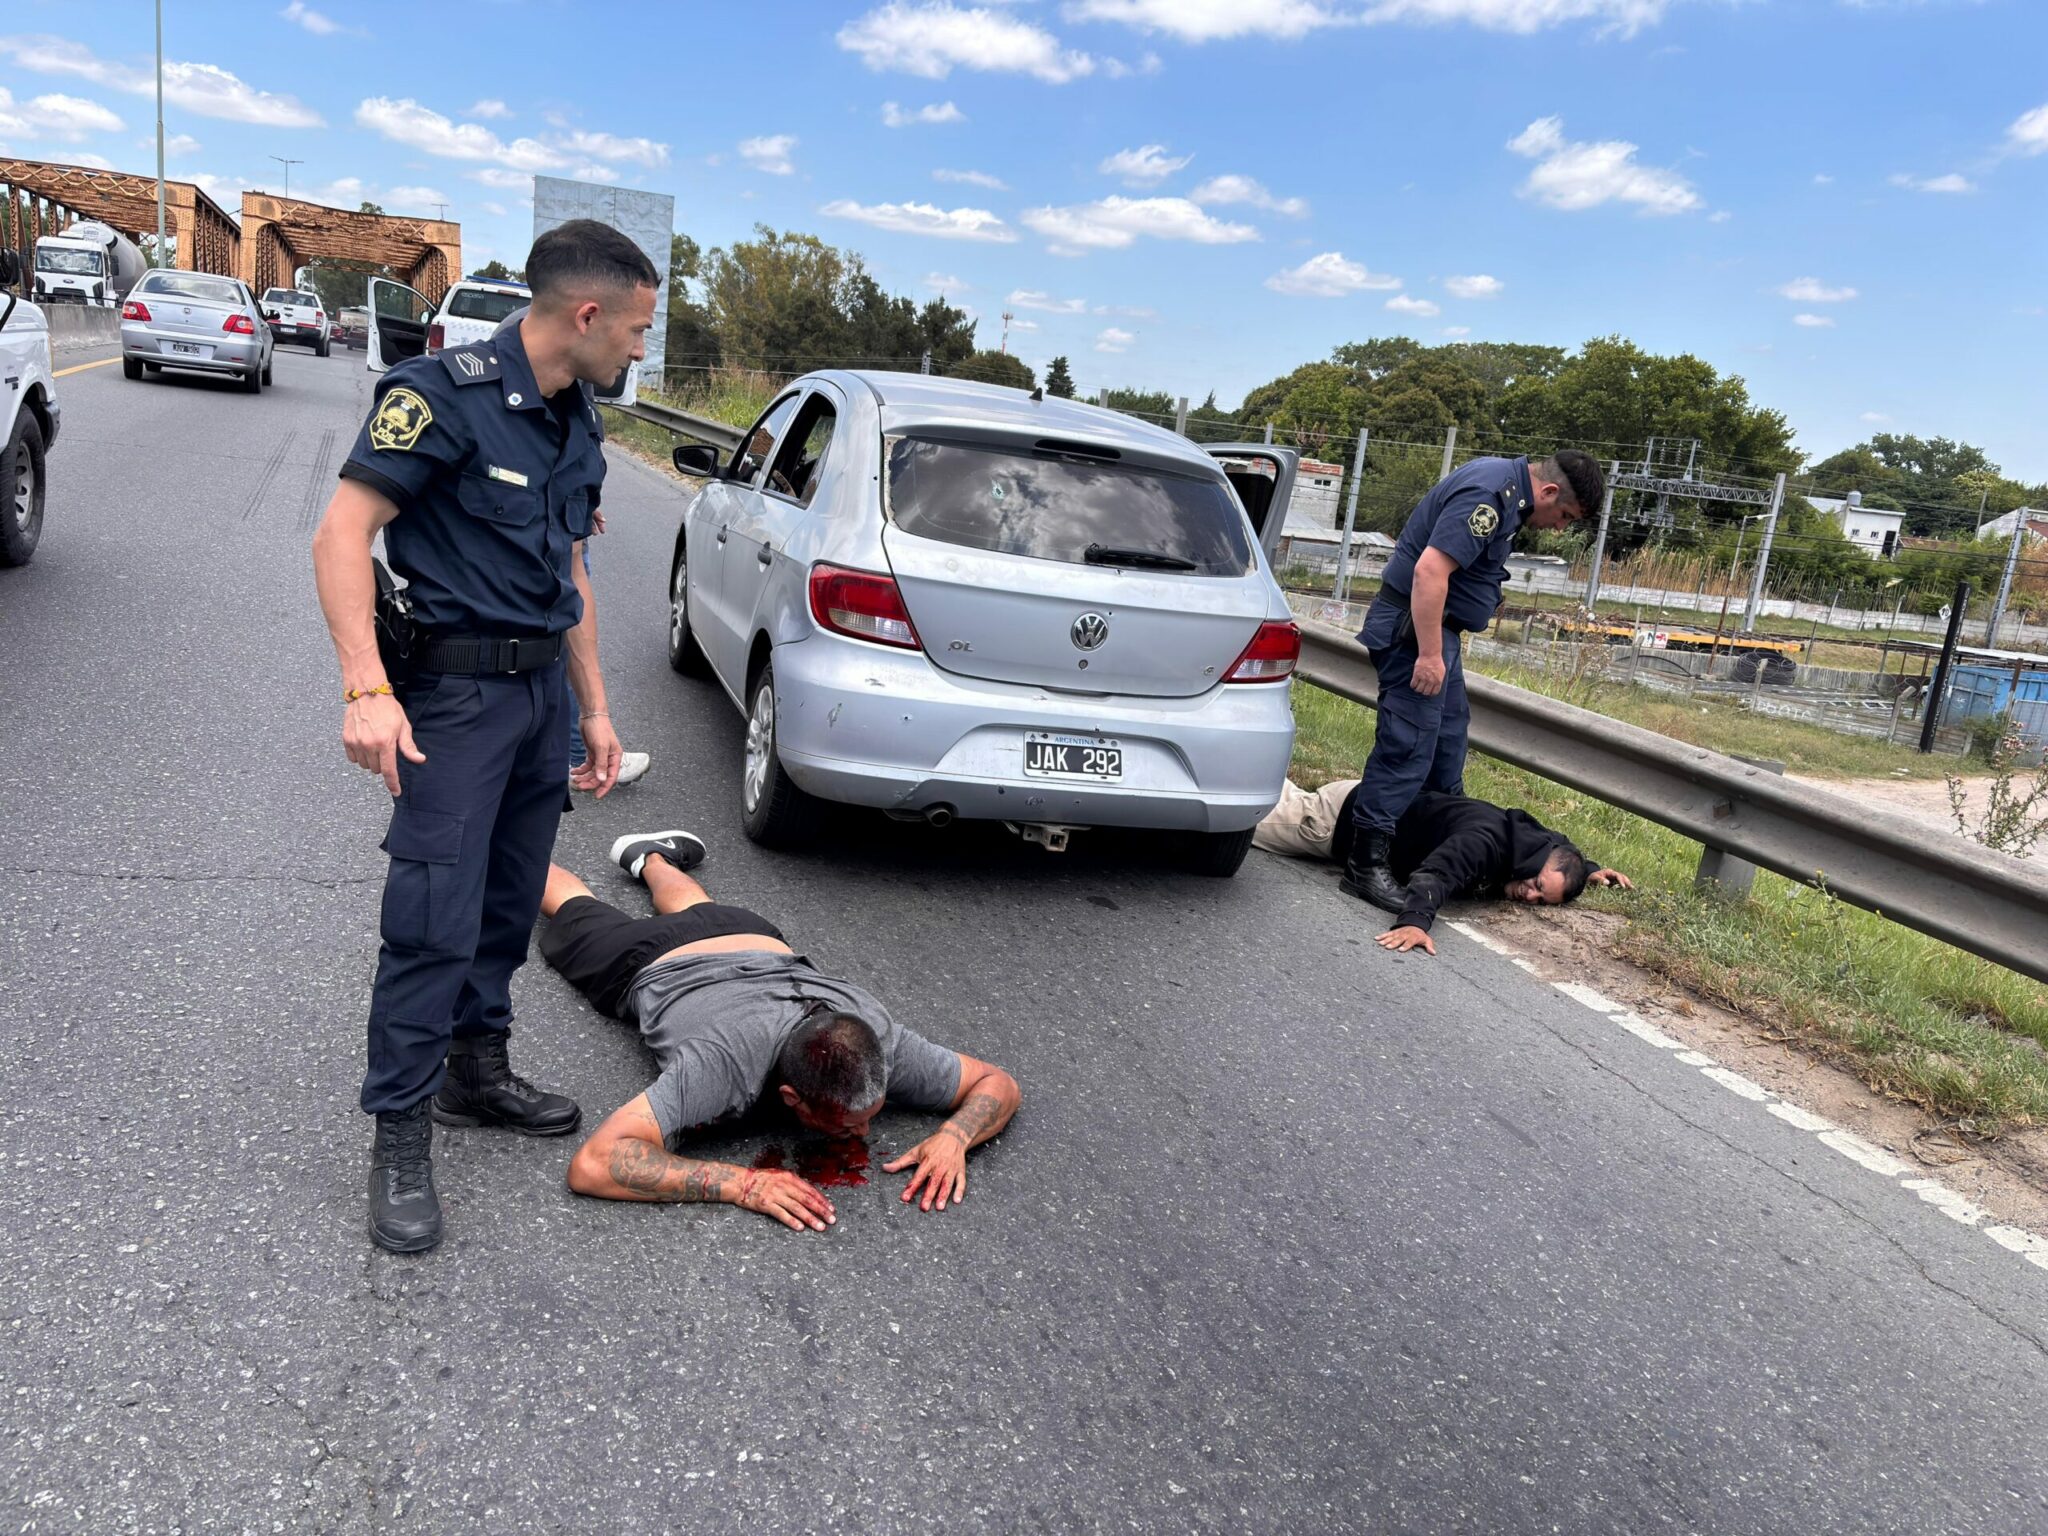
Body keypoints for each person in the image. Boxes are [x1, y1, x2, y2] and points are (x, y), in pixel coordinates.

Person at [311, 219, 659, 1254]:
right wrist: (364, 687)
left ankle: (475, 1072)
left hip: (540, 698)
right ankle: (400, 1132)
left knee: (508, 906)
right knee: (432, 919)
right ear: (585, 314)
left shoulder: (577, 418)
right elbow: (341, 532)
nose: (641, 348)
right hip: (454, 701)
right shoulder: (444, 395)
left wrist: (593, 710)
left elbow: (572, 576)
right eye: (636, 329)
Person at [537, 831, 1022, 1231]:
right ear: (792, 1099)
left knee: (697, 911)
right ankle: (506, 845)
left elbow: (997, 1081)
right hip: (652, 960)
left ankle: (650, 858)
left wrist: (956, 1136)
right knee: (576, 905)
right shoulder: (722, 1064)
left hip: (751, 937)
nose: (865, 1130)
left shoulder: (877, 1038)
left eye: (866, 1116)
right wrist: (744, 1184)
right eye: (847, 1123)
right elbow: (595, 1163)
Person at [1340, 451, 1606, 910]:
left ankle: (1432, 848)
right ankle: (1365, 864)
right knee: (1407, 746)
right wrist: (1427, 653)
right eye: (1563, 516)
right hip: (1415, 631)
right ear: (1547, 491)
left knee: (1445, 745)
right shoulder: (1489, 495)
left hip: (1436, 633)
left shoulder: (1508, 495)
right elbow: (1429, 572)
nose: (1560, 528)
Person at [1258, 778, 1632, 956]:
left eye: (1540, 899)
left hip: (1379, 801)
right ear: (1533, 863)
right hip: (1336, 821)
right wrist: (1414, 922)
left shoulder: (1534, 842)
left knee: (1266, 789)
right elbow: (1437, 873)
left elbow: (1564, 850)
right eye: (1535, 883)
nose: (1528, 894)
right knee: (1233, 822)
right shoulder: (1485, 842)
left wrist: (1591, 871)